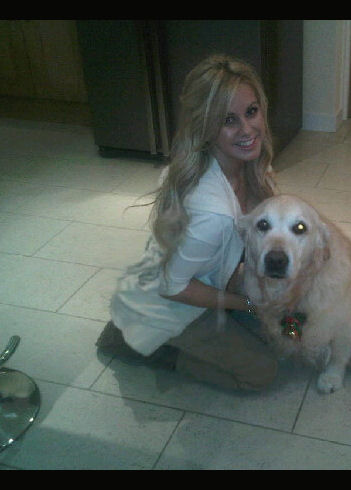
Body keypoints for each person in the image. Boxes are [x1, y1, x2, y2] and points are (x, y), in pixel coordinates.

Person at [96, 54, 279, 391]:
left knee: (285, 326)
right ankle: (139, 345)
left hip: (205, 276)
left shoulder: (252, 167)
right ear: (205, 128)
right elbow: (172, 286)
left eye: (251, 111)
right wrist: (247, 304)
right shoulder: (213, 214)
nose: (247, 129)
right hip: (171, 304)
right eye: (229, 120)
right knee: (262, 373)